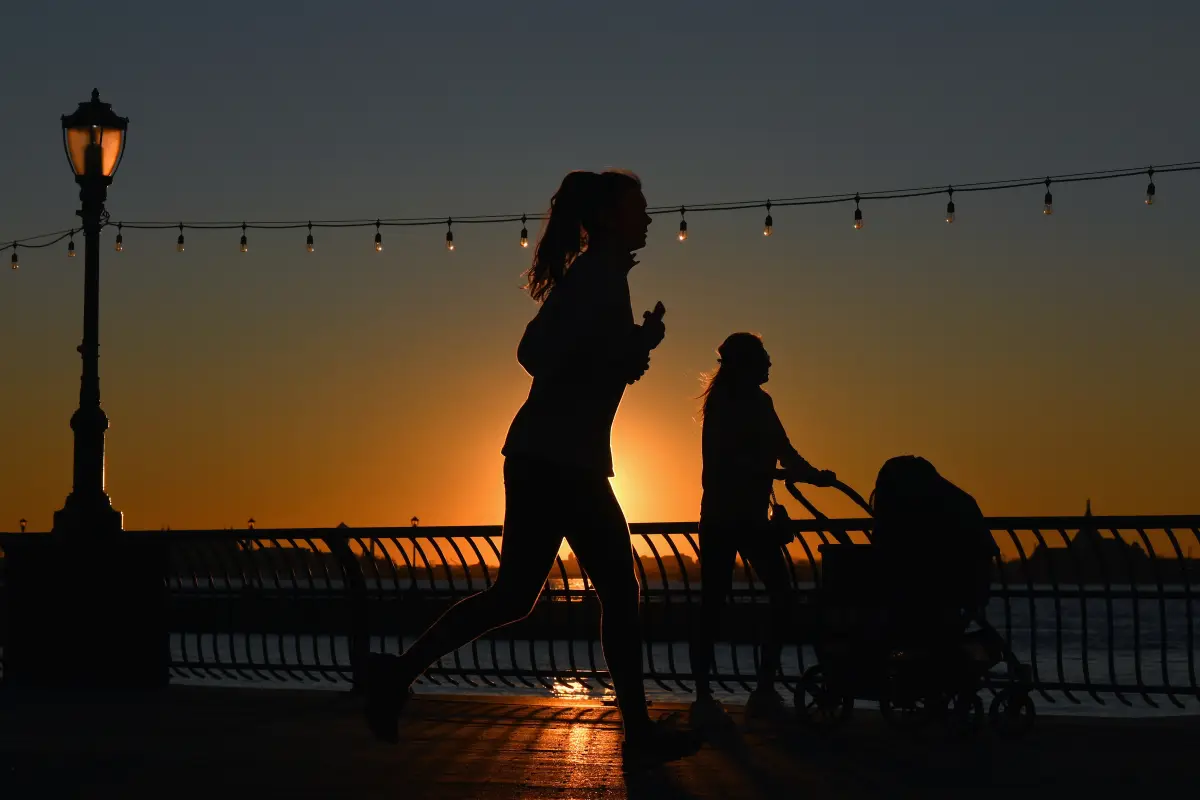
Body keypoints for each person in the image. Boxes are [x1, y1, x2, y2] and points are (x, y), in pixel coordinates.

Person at [364, 169, 700, 766]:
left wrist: (633, 347)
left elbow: (587, 360)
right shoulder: (596, 277)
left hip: (547, 456)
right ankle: (640, 735)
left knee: (516, 596)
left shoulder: (600, 278)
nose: (648, 217)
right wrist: (621, 351)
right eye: (639, 208)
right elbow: (537, 352)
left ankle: (396, 675)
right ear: (607, 219)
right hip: (561, 460)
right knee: (619, 593)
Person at [688, 332, 836, 725]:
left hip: (751, 518)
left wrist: (813, 475)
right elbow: (726, 463)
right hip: (724, 517)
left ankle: (763, 688)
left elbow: (784, 451)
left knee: (779, 597)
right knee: (715, 604)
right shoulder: (723, 404)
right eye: (764, 358)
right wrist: (776, 471)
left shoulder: (762, 402)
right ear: (747, 364)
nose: (770, 363)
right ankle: (705, 695)